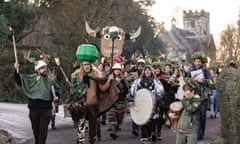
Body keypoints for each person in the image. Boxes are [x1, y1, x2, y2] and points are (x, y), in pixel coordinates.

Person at [70, 43, 114, 144]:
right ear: (82, 65)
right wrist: (77, 101)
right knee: (80, 128)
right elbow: (73, 92)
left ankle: (92, 141)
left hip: (93, 105)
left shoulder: (96, 75)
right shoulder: (76, 76)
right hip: (81, 105)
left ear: (91, 65)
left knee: (93, 128)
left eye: (88, 65)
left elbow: (103, 89)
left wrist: (109, 81)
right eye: (85, 65)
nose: (87, 67)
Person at [14, 60, 62, 144]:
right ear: (37, 70)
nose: (45, 70)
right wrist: (16, 70)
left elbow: (57, 91)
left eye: (45, 68)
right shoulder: (31, 78)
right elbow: (19, 80)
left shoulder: (50, 81)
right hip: (34, 109)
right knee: (36, 130)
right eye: (42, 68)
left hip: (46, 110)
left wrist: (57, 97)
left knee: (43, 131)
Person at [128, 65, 165, 144]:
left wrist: (155, 100)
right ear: (143, 72)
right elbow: (132, 91)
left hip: (154, 105)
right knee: (144, 120)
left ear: (151, 72)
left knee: (153, 121)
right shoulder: (138, 82)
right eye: (146, 70)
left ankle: (152, 133)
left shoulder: (156, 82)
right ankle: (145, 138)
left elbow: (161, 93)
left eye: (149, 70)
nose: (147, 72)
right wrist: (131, 100)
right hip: (141, 105)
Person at [186, 53, 212, 140]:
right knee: (195, 116)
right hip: (194, 97)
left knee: (203, 115)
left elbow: (211, 82)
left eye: (199, 61)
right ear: (194, 62)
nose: (198, 63)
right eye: (196, 61)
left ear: (201, 62)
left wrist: (203, 80)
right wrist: (191, 80)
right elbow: (186, 82)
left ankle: (202, 132)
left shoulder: (205, 71)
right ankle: (198, 134)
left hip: (203, 97)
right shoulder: (190, 71)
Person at [170, 80, 201, 144]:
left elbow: (191, 109)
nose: (185, 93)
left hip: (191, 131)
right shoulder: (185, 100)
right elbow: (181, 113)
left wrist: (183, 100)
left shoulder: (196, 100)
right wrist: (174, 116)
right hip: (180, 130)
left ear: (193, 91)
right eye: (184, 91)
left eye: (187, 90)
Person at [107, 63, 129, 139]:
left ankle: (116, 129)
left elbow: (127, 89)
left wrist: (124, 85)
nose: (117, 71)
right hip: (112, 101)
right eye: (115, 70)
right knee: (112, 116)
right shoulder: (109, 78)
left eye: (118, 70)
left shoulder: (123, 79)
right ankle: (113, 131)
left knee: (119, 118)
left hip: (121, 101)